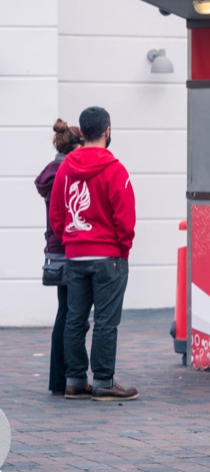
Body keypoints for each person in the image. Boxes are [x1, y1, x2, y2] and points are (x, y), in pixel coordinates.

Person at [50, 106, 138, 401]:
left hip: (75, 255)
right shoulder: (115, 169)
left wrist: (70, 240)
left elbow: (57, 212)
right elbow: (125, 218)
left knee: (75, 319)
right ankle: (103, 380)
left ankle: (75, 380)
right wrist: (122, 250)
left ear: (82, 132)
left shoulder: (65, 168)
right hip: (108, 256)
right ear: (107, 131)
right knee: (105, 321)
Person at [34, 119, 84, 396]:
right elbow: (62, 218)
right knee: (69, 315)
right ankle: (61, 379)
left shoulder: (53, 172)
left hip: (56, 250)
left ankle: (60, 379)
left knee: (65, 312)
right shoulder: (64, 175)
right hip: (66, 250)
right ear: (74, 147)